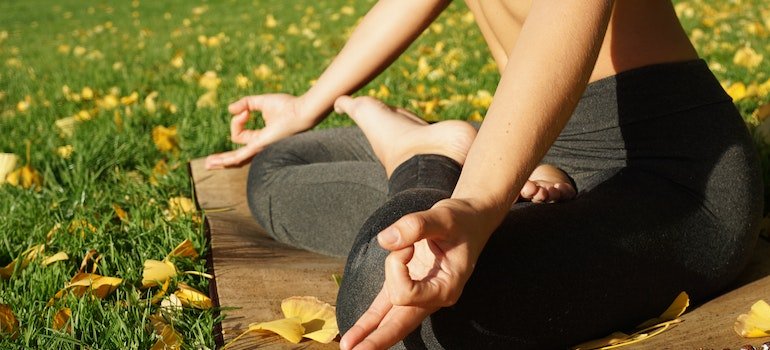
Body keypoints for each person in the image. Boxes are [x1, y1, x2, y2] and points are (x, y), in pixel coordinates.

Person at [206, 0, 763, 348]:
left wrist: (475, 198)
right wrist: (307, 105)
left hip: (668, 178)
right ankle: (442, 154)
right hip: (536, 150)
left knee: (397, 301)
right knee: (281, 161)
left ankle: (422, 158)